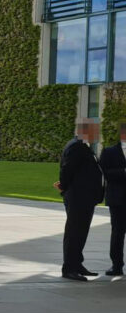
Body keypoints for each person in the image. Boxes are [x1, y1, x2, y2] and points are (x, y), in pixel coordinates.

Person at [56, 119, 104, 281]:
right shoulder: (76, 146)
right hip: (78, 197)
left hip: (85, 197)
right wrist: (63, 185)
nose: (96, 134)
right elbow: (67, 169)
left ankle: (77, 264)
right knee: (74, 232)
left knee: (80, 232)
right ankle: (69, 267)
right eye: (94, 130)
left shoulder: (82, 146)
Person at [100, 121, 126, 276]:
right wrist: (123, 172)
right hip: (117, 199)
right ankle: (116, 265)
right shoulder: (109, 152)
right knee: (118, 232)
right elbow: (104, 173)